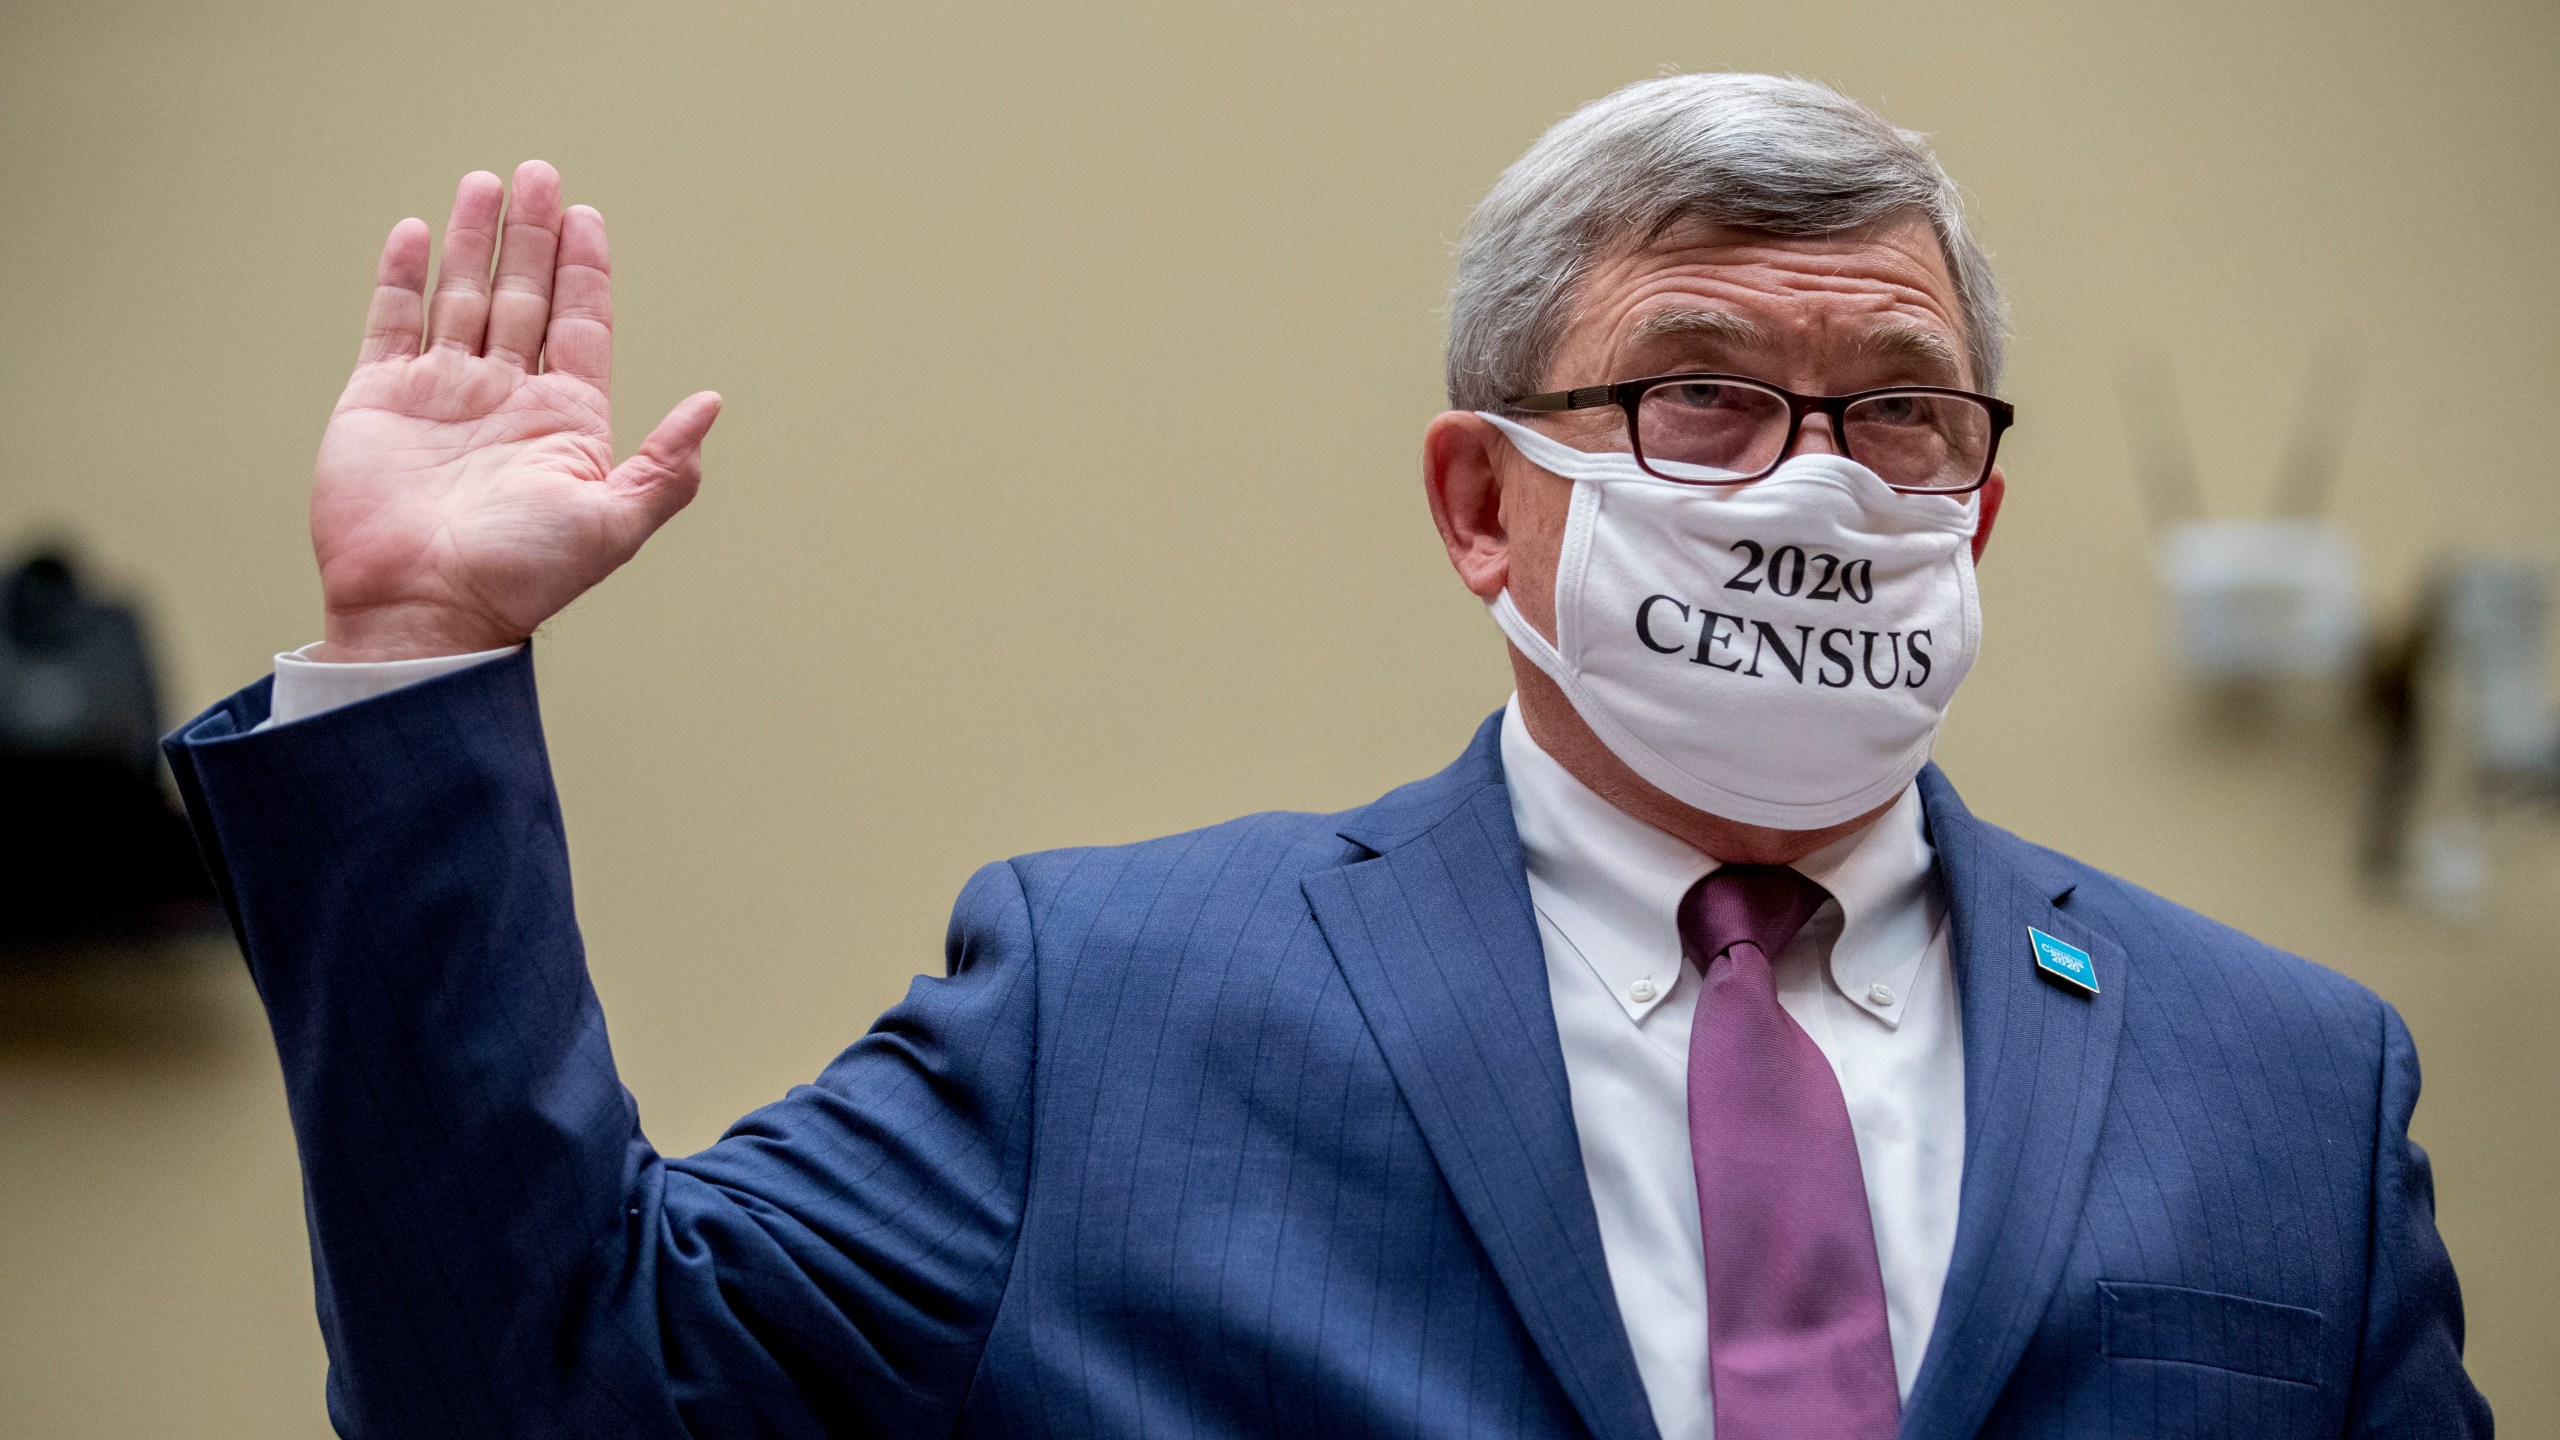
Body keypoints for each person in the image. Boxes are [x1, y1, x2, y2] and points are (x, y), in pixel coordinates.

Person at [165, 73, 2489, 1439]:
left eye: (1889, 404)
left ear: (1974, 502)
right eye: (1694, 391)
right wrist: (420, 655)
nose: (1807, 476)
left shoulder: (2282, 1080)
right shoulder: (1115, 1008)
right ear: (1481, 505)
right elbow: (544, 1396)